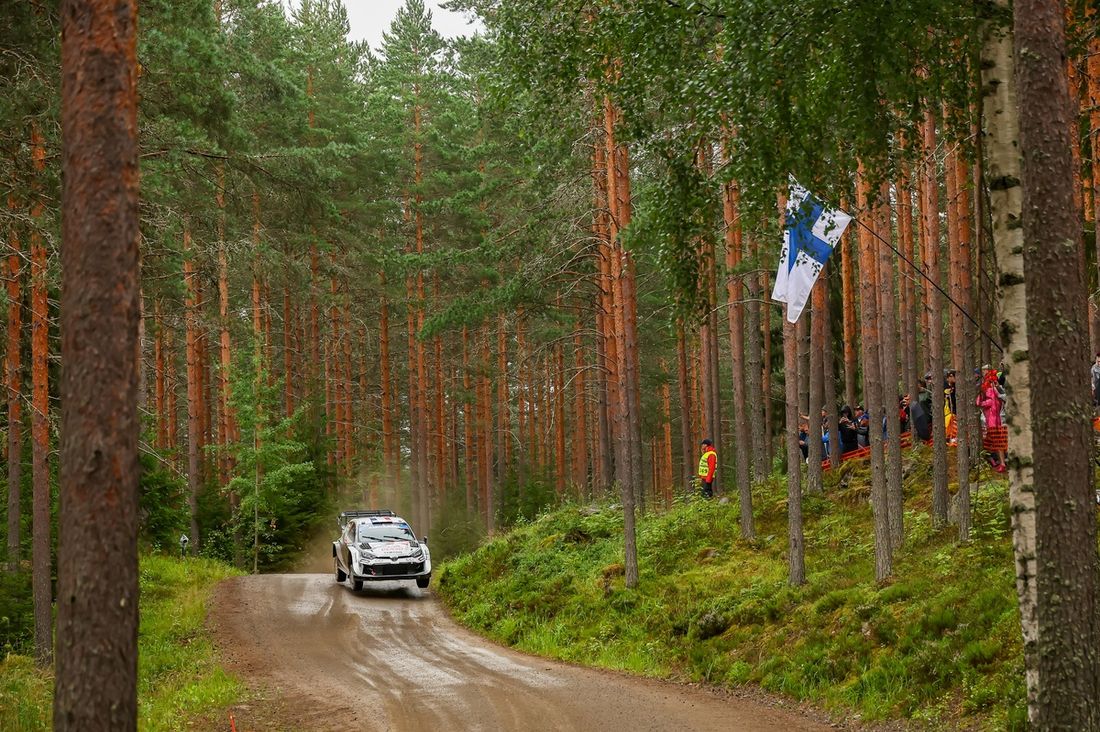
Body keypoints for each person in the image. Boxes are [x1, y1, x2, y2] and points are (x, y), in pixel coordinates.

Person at [977, 368, 1007, 473]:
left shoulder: (991, 388)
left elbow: (992, 403)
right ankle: (996, 461)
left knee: (997, 443)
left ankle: (1002, 463)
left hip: (993, 421)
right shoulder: (992, 387)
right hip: (993, 420)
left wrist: (981, 403)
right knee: (991, 443)